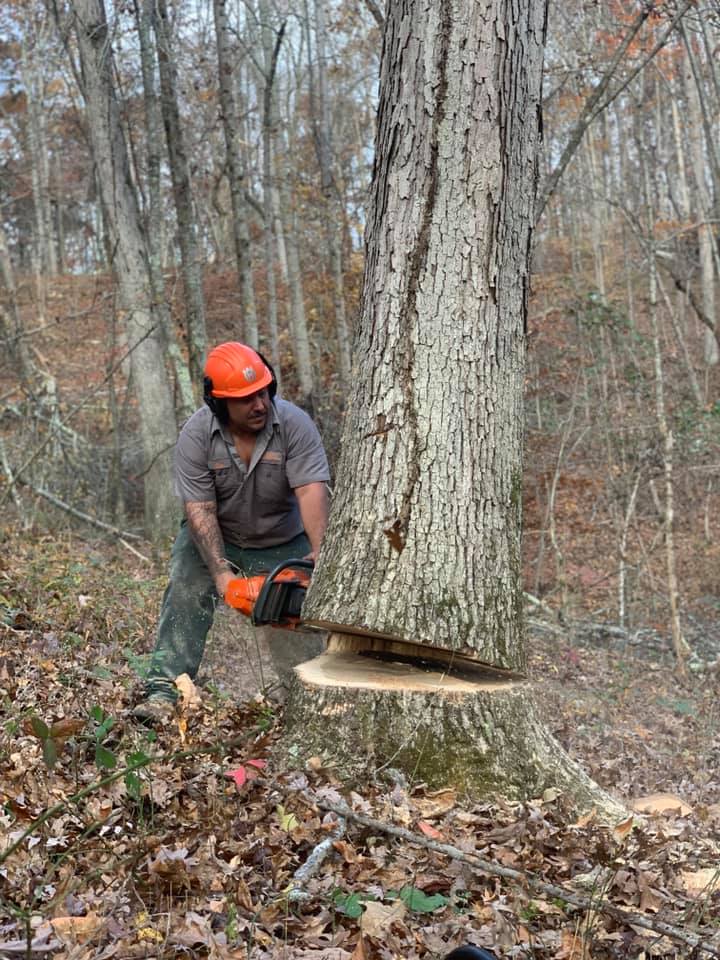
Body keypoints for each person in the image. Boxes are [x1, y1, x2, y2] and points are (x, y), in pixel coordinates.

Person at [133, 341, 330, 723]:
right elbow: (200, 509)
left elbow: (310, 490)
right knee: (186, 592)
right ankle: (163, 691)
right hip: (215, 535)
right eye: (245, 399)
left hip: (280, 537)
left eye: (263, 393)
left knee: (291, 616)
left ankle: (303, 701)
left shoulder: (294, 424)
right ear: (220, 403)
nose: (259, 405)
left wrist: (320, 552)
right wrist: (222, 574)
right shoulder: (196, 435)